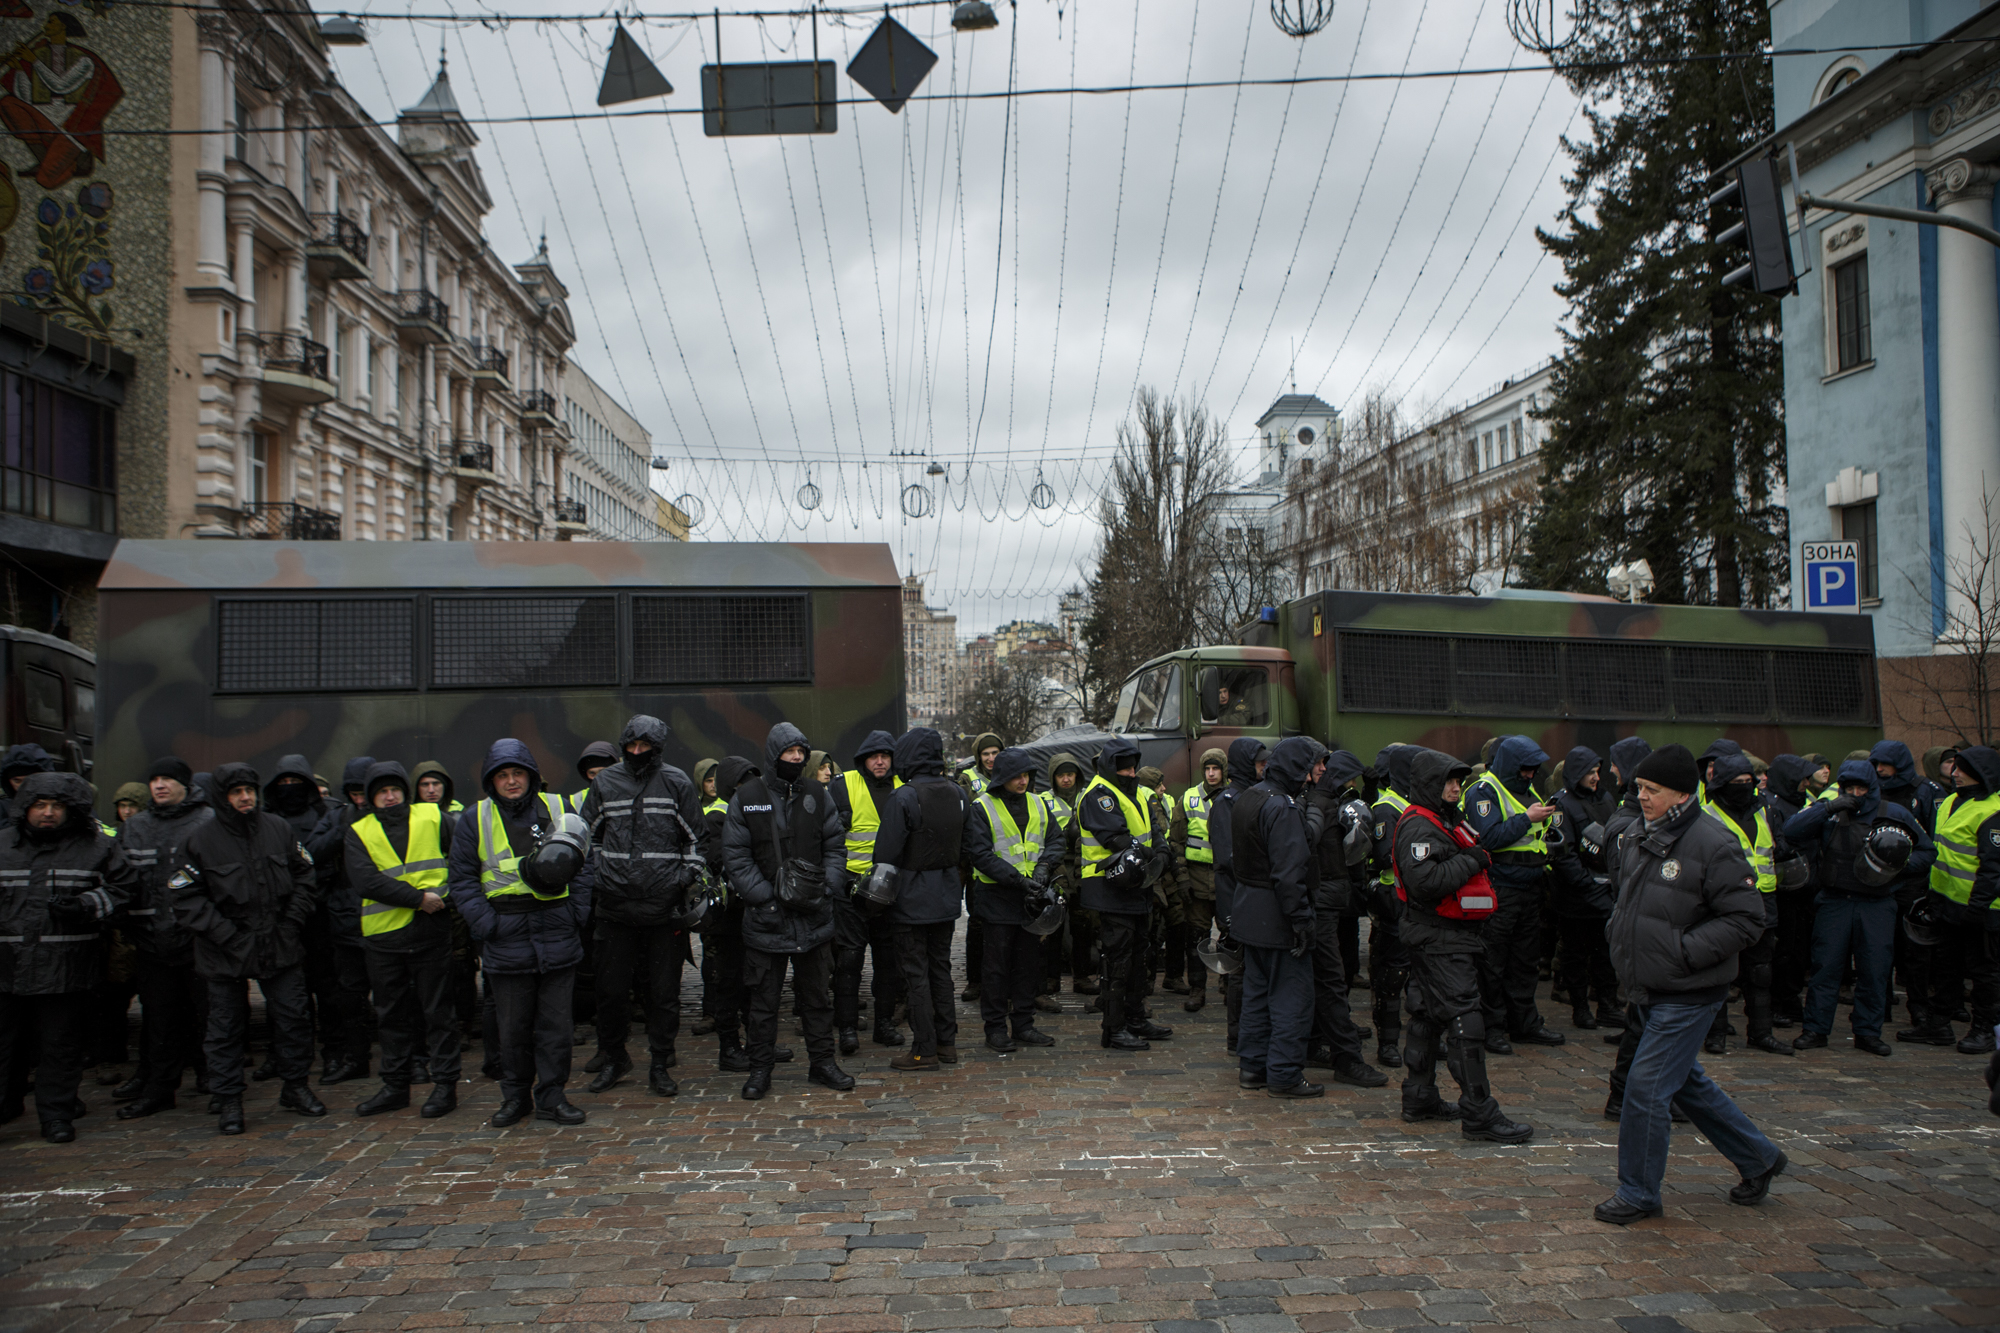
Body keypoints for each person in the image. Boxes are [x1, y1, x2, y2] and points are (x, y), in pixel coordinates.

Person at [1595, 744, 1786, 1225]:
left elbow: (1747, 919)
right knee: (1685, 1086)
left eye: (1651, 790)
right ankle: (1759, 1158)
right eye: (1638, 788)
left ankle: (1638, 1192)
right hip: (1650, 986)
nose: (1641, 797)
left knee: (1646, 1088)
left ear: (1682, 793)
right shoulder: (1644, 831)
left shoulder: (1712, 842)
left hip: (1688, 992)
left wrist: (1682, 953)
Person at [1391, 747, 1534, 1144]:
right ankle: (1480, 1113)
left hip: (1442, 935)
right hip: (1438, 937)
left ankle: (1419, 1096)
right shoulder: (1421, 826)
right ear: (1429, 785)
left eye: (1457, 782)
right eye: (1448, 782)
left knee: (1426, 1013)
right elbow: (1425, 882)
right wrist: (1473, 860)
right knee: (1465, 1019)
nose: (1455, 788)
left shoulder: (1443, 819)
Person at [176, 763, 326, 1135]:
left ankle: (296, 1086)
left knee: (293, 1018)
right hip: (224, 949)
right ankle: (228, 1100)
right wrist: (227, 936)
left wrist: (292, 923)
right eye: (236, 792)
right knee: (225, 1027)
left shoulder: (278, 829)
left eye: (249, 790)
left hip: (279, 941)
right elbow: (185, 899)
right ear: (221, 797)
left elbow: (305, 876)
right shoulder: (199, 840)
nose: (245, 798)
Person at [450, 740, 591, 1127]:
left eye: (518, 773)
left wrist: (578, 911)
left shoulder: (559, 809)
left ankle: (552, 1095)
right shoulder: (474, 818)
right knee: (512, 1029)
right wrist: (486, 924)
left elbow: (584, 863)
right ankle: (515, 1098)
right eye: (502, 775)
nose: (511, 782)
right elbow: (461, 879)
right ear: (491, 781)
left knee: (556, 1027)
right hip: (506, 933)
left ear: (531, 775)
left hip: (556, 928)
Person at [575, 715, 706, 1098]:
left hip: (664, 909)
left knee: (663, 994)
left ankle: (662, 1063)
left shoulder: (676, 782)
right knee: (611, 991)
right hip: (615, 907)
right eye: (630, 746)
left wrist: (678, 881)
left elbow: (697, 842)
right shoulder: (606, 783)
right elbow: (587, 837)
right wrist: (602, 876)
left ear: (657, 748)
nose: (636, 753)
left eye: (643, 747)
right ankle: (615, 1058)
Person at [0, 771, 134, 1141]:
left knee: (60, 1047)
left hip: (66, 968)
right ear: (24, 808)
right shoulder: (2, 846)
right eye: (40, 805)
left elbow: (124, 892)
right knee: (4, 1045)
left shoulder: (96, 846)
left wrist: (84, 905)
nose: (47, 813)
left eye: (56, 806)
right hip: (6, 967)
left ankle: (56, 1115)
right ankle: (6, 1105)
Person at [721, 724, 849, 1099]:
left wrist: (827, 887)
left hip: (814, 918)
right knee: (763, 1004)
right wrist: (765, 898)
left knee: (817, 999)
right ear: (774, 754)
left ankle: (822, 1063)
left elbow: (835, 846)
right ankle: (760, 1069)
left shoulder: (816, 793)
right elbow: (736, 857)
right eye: (789, 751)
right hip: (767, 920)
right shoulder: (746, 798)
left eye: (800, 752)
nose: (795, 758)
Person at [1783, 760, 1934, 1056]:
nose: (1855, 793)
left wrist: (1896, 868)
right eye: (1848, 787)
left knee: (1874, 971)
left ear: (1872, 787)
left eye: (1861, 788)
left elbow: (1927, 852)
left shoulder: (1894, 814)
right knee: (1825, 968)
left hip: (1877, 903)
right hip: (1835, 901)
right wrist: (1828, 807)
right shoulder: (1831, 811)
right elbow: (1792, 831)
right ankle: (1815, 1029)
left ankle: (1868, 1032)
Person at [345, 761, 461, 1119]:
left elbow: (463, 860)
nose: (390, 796)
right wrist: (419, 899)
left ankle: (445, 1086)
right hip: (385, 940)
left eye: (394, 789)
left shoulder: (433, 817)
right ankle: (395, 1087)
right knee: (391, 1017)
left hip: (432, 934)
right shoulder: (358, 830)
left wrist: (449, 900)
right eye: (381, 791)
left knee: (439, 1013)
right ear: (370, 798)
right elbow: (366, 881)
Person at [111, 757, 213, 1119]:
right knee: (159, 1021)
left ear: (185, 785)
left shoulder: (206, 822)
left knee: (210, 1016)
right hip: (152, 941)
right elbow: (121, 880)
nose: (159, 785)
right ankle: (159, 1089)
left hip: (198, 941)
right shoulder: (135, 827)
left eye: (167, 779)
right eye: (154, 779)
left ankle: (216, 1083)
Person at [1229, 737, 1326, 1097]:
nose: (1314, 776)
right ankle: (1284, 1073)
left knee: (1256, 994)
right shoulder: (1281, 807)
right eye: (1311, 768)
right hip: (1276, 915)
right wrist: (1301, 919)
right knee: (1291, 997)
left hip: (1249, 911)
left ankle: (1253, 1067)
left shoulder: (1249, 797)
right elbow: (1289, 872)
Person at [873, 727, 970, 1072]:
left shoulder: (904, 797)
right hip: (945, 895)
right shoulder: (958, 793)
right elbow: (968, 845)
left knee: (916, 974)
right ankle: (946, 1043)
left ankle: (924, 1049)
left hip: (910, 899)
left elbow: (885, 854)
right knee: (940, 970)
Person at [1464, 736, 1566, 1052]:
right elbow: (1490, 837)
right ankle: (1492, 1028)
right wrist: (1528, 818)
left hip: (1530, 888)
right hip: (1501, 888)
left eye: (1534, 769)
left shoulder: (1527, 790)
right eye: (1524, 769)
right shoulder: (1484, 791)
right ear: (1510, 765)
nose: (1530, 775)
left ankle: (1524, 1023)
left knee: (1524, 962)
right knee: (1493, 962)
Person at [965, 746, 1066, 1052]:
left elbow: (1055, 839)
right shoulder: (982, 807)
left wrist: (1044, 868)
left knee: (1027, 964)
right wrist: (1020, 880)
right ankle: (995, 1028)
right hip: (998, 898)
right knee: (996, 967)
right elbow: (980, 854)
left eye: (1026, 775)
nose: (1022, 781)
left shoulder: (1038, 803)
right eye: (1015, 776)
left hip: (1030, 899)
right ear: (1001, 778)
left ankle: (1023, 1024)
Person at [1901, 743, 2000, 1054]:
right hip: (1946, 902)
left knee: (1984, 973)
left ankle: (1985, 1029)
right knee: (1946, 966)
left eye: (1961, 768)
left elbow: (1992, 869)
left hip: (1980, 909)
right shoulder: (1952, 801)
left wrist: (1977, 907)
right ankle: (1939, 1023)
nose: (1954, 773)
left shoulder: (1992, 812)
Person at [1300, 750, 1390, 1089]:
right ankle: (1347, 1057)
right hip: (1323, 903)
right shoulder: (1323, 806)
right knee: (1331, 981)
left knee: (1320, 980)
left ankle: (1313, 1044)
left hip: (1325, 900)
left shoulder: (1317, 802)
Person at [1077, 738, 1171, 1051]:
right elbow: (1115, 837)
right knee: (1117, 960)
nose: (1131, 773)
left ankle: (1135, 1017)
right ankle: (1113, 1027)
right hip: (1110, 885)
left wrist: (1161, 853)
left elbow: (1155, 832)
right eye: (1125, 768)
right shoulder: (1098, 794)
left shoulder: (1139, 793)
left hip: (1138, 884)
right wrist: (1152, 855)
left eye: (1133, 767)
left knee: (1139, 956)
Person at [1695, 754, 1789, 1056]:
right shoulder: (1705, 816)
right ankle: (1716, 1033)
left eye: (1749, 782)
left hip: (1762, 904)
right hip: (1721, 906)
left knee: (1760, 972)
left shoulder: (1766, 812)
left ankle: (1761, 1033)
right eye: (1737, 783)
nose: (1745, 788)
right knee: (1720, 971)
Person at [831, 731, 906, 1052]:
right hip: (851, 893)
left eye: (885, 756)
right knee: (848, 964)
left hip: (891, 896)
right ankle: (847, 1029)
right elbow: (828, 841)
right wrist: (838, 882)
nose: (880, 761)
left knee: (888, 964)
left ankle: (884, 1025)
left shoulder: (905, 787)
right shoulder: (843, 785)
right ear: (863, 759)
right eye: (874, 756)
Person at [305, 757, 376, 1086]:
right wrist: (342, 830)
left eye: (365, 792)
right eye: (354, 793)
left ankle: (410, 1059)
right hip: (346, 921)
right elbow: (310, 853)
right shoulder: (337, 816)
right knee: (349, 997)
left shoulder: (395, 816)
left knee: (397, 996)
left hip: (388, 919)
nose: (360, 800)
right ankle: (357, 1058)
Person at [1549, 747, 1621, 1032]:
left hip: (1604, 893)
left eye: (1597, 771)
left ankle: (1608, 1006)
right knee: (1576, 955)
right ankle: (1581, 1009)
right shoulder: (1561, 804)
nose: (1596, 777)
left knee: (1606, 955)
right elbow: (1562, 853)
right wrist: (1588, 885)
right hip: (1575, 898)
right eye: (1590, 772)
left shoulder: (1605, 799)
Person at [1209, 738, 1271, 1053]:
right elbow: (1226, 858)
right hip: (1235, 896)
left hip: (1254, 896)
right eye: (1258, 761)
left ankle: (1252, 1033)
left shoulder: (1258, 794)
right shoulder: (1227, 801)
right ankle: (1237, 1037)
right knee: (1239, 971)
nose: (1264, 766)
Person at [1366, 745, 1416, 1068]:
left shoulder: (1419, 803)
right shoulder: (1387, 807)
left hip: (1419, 900)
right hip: (1393, 902)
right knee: (1392, 975)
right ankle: (1388, 1042)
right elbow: (1384, 854)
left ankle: (1421, 1038)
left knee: (1420, 973)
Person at [1764, 753, 1819, 1029]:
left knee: (1799, 949)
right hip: (1783, 889)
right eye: (1802, 778)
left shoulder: (1805, 801)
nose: (1807, 783)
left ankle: (1792, 996)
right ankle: (1778, 1002)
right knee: (1782, 950)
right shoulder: (1772, 805)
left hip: (1805, 889)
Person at [1173, 749, 1228, 1015]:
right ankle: (1197, 988)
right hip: (1196, 878)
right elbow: (1177, 842)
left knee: (1231, 935)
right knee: (1196, 937)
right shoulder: (1188, 798)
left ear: (1223, 770)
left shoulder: (1235, 796)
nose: (1211, 773)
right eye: (1207, 768)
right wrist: (1182, 878)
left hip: (1226, 879)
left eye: (1216, 768)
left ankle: (1230, 984)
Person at [957, 732, 1004, 1002]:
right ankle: (975, 980)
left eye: (995, 753)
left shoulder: (1012, 774)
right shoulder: (967, 779)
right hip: (977, 861)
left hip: (1007, 859)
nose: (990, 758)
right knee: (977, 924)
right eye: (985, 754)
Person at [1045, 753, 1093, 998]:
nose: (1066, 779)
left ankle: (1082, 977)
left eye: (1070, 774)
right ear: (1053, 777)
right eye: (1061, 775)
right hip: (1055, 866)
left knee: (1082, 925)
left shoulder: (1087, 797)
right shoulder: (1043, 801)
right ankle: (1052, 977)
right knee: (1054, 925)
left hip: (1082, 866)